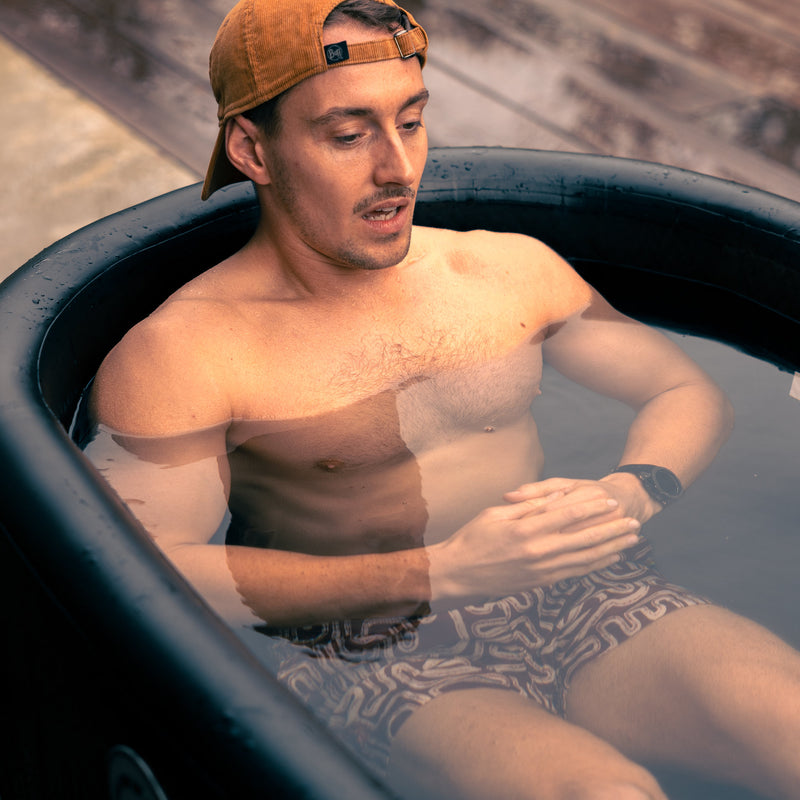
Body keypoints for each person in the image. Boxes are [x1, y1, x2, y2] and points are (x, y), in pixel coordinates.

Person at [83, 0, 800, 797]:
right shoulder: (183, 353)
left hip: (569, 584)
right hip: (357, 644)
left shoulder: (503, 271)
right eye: (349, 135)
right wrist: (443, 572)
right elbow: (148, 570)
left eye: (412, 122)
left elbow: (682, 387)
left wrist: (631, 492)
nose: (399, 168)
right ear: (253, 147)